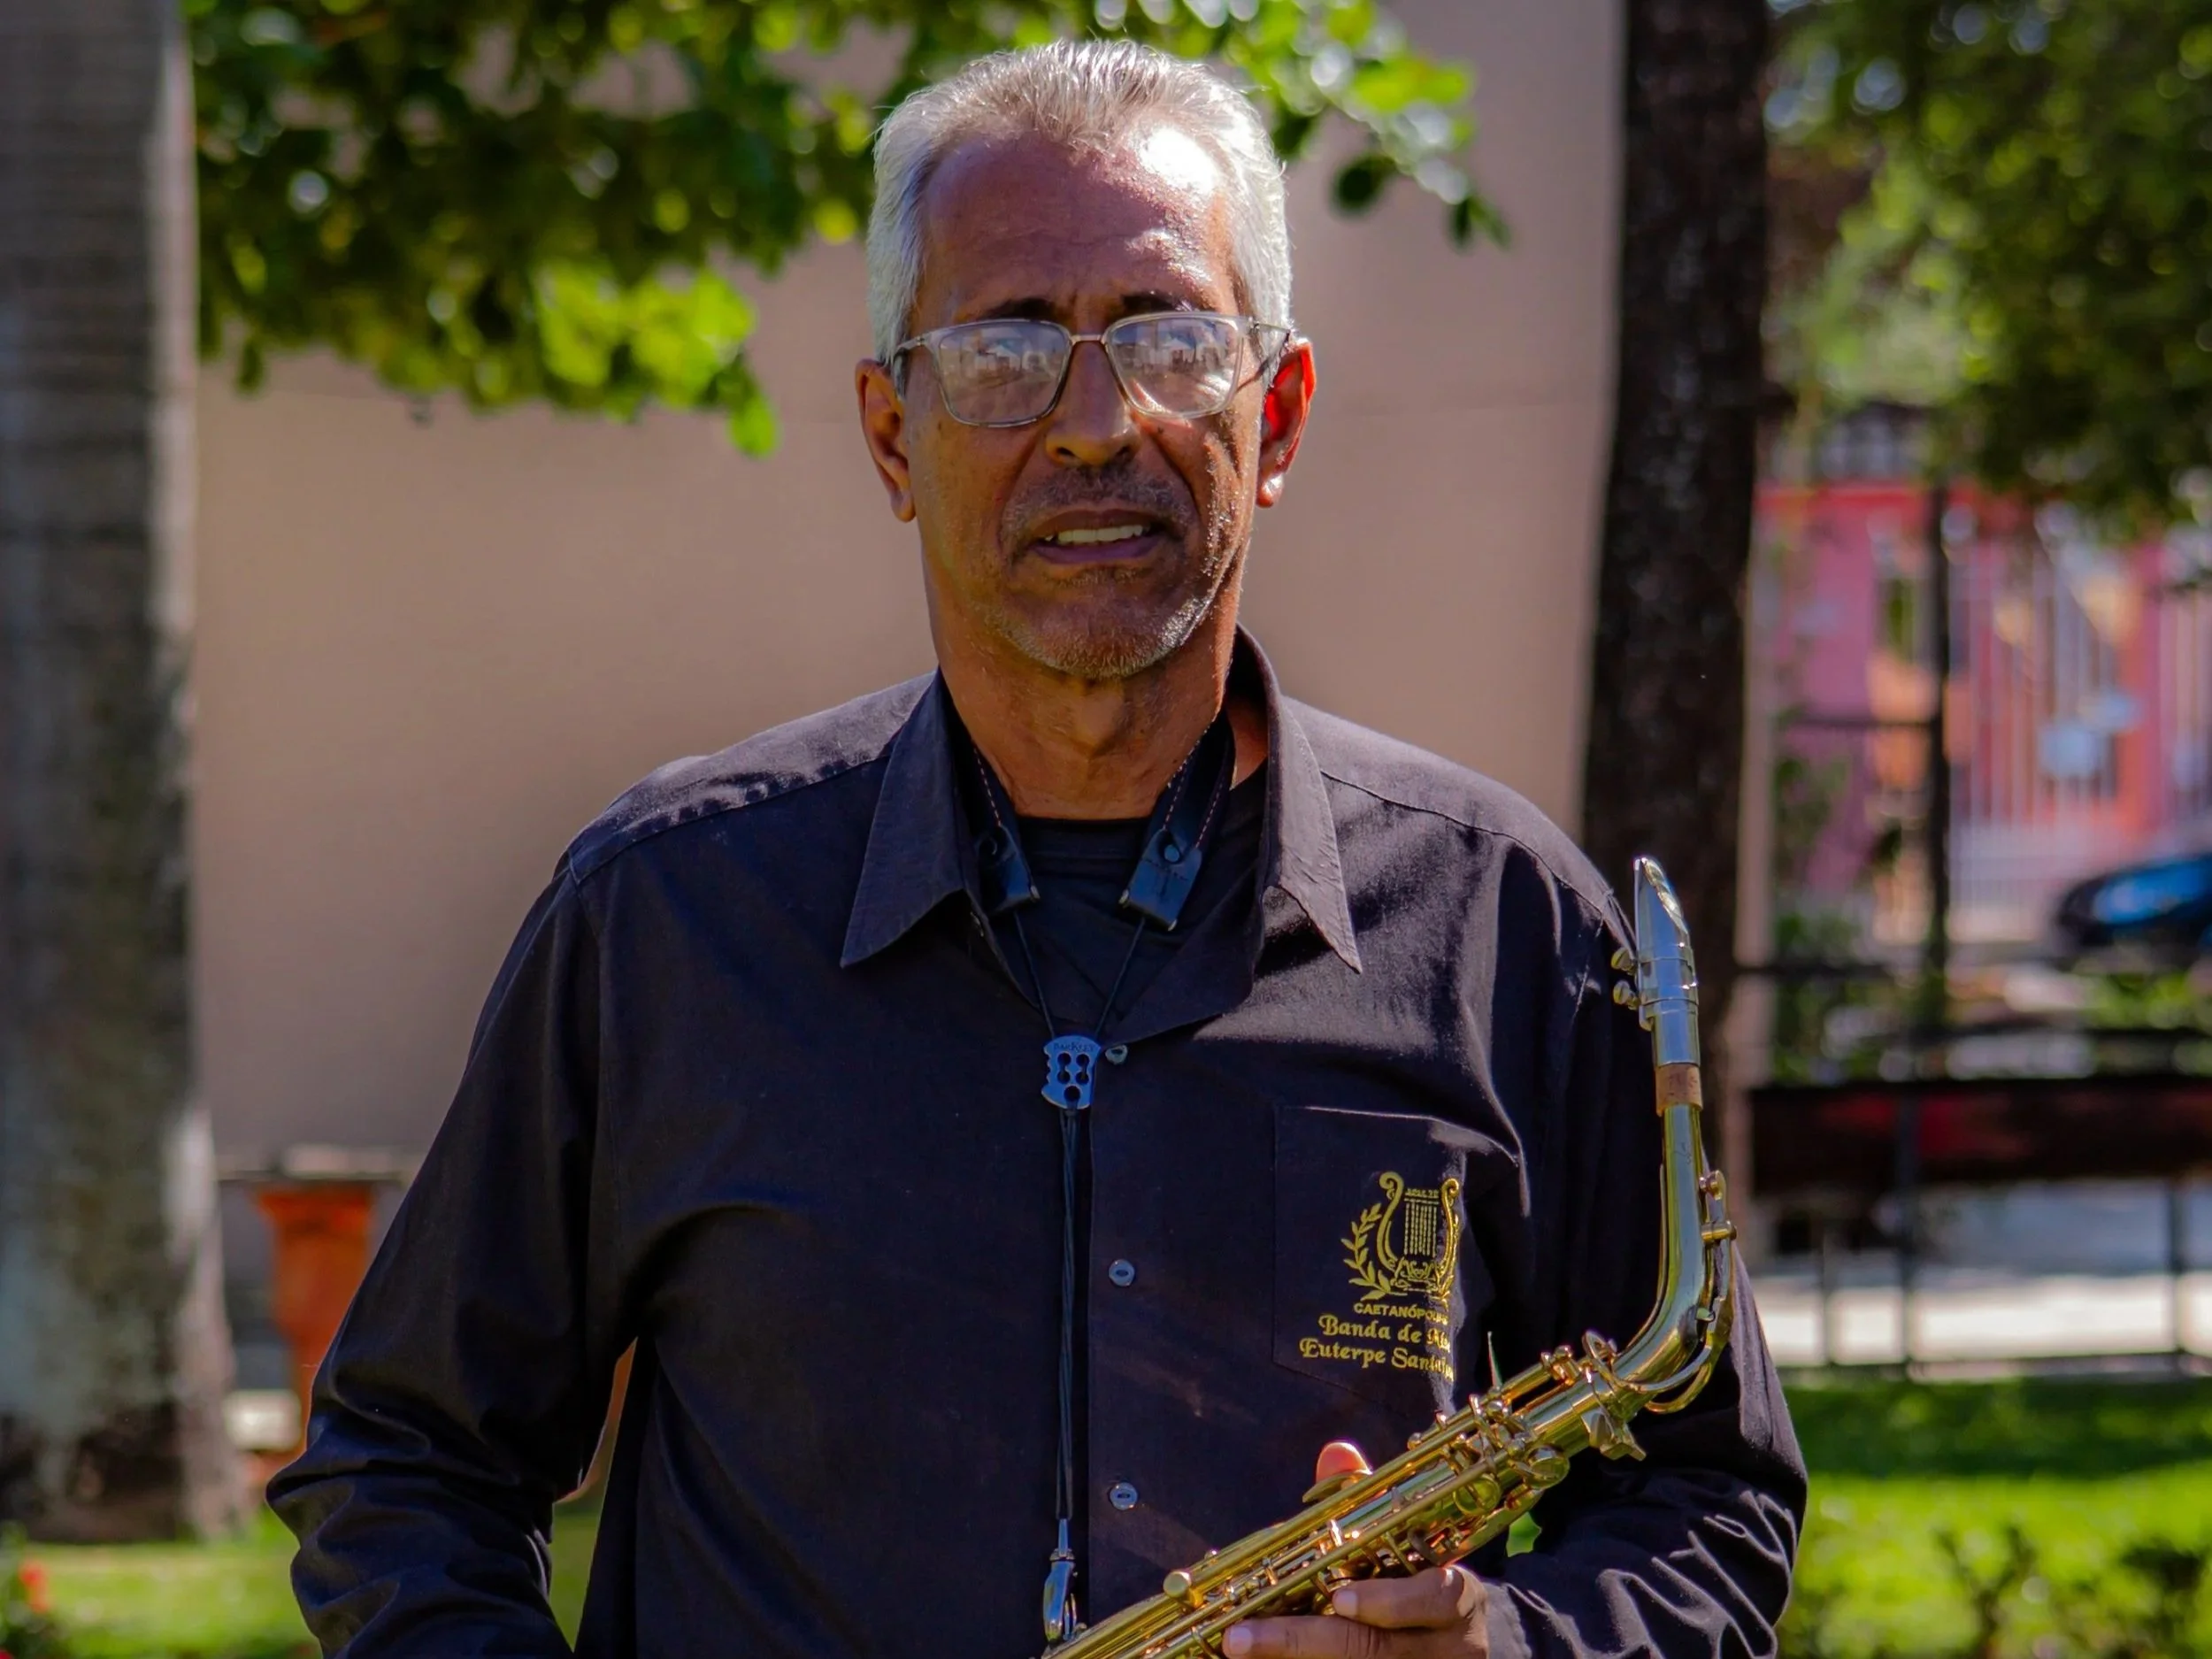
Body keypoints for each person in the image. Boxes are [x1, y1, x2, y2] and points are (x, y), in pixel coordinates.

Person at [271, 39, 1805, 1659]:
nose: (1095, 424)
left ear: (1275, 417)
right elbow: (408, 1465)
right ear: (890, 435)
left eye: (1168, 338)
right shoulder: (664, 915)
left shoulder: (1510, 926)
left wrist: (1505, 1647)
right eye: (1006, 346)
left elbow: (1712, 1498)